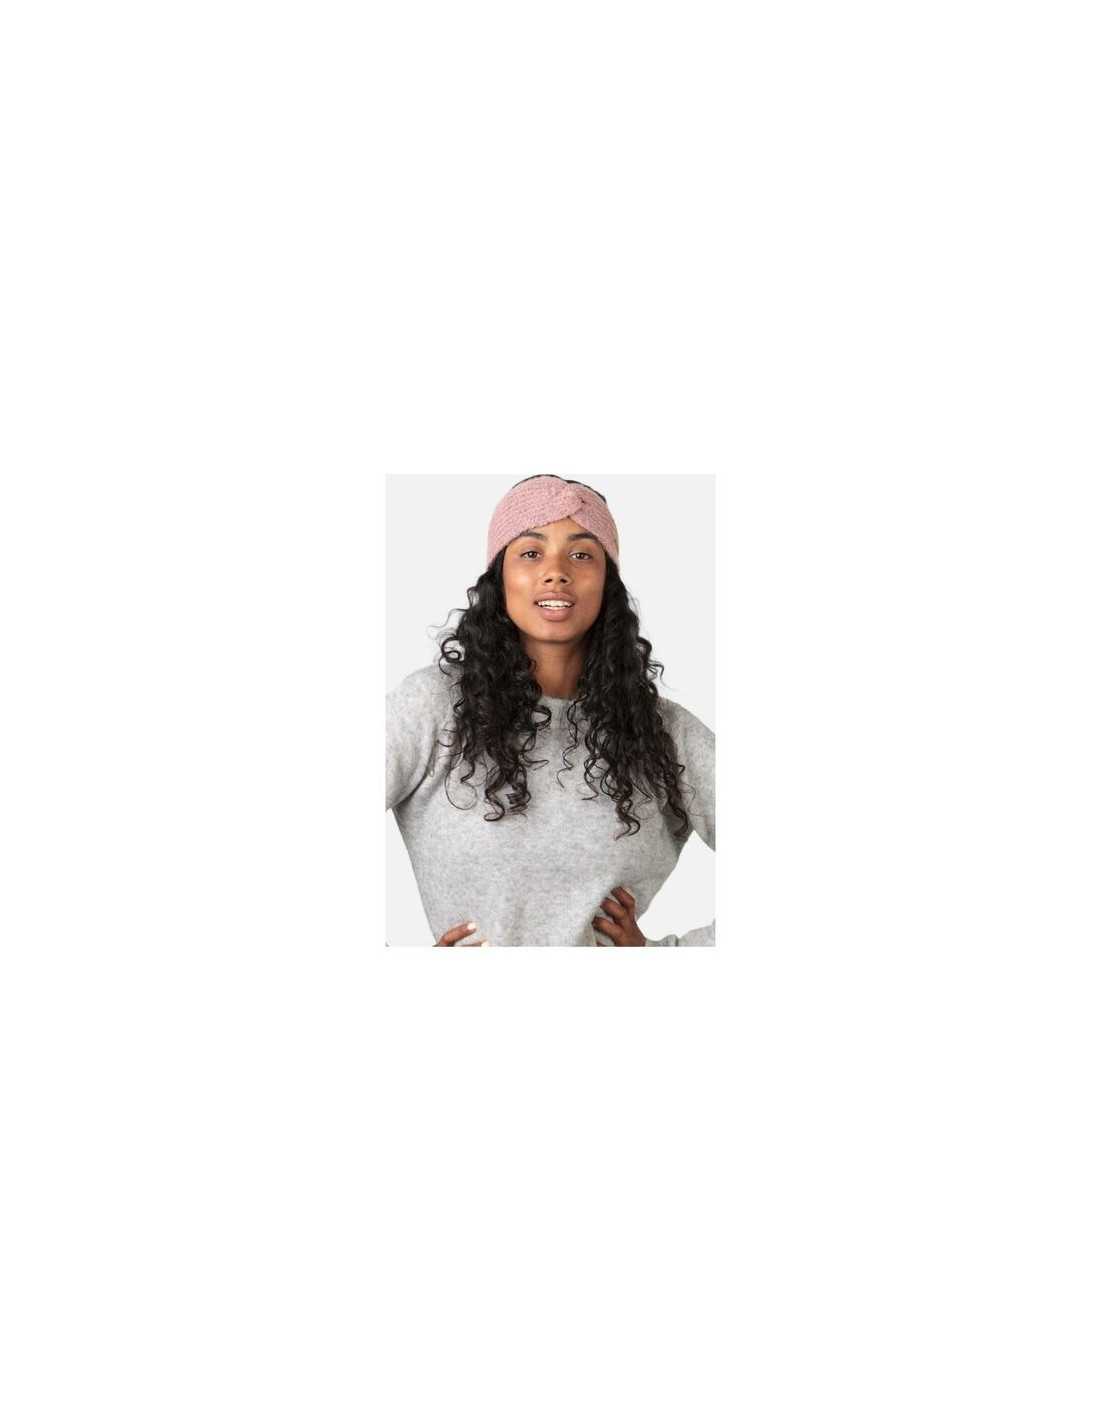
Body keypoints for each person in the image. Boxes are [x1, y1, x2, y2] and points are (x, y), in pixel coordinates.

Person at [386, 475, 715, 946]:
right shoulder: (433, 707)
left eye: (581, 555)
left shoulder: (665, 734)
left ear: (608, 583)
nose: (556, 572)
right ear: (500, 578)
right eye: (530, 552)